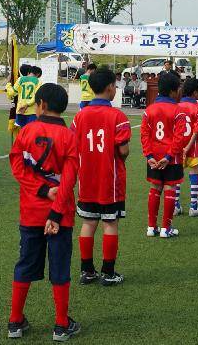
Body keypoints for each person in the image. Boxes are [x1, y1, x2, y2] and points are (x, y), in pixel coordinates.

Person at [7, 83, 81, 342]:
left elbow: (17, 168)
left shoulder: (26, 131)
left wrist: (40, 190)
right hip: (60, 216)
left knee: (25, 263)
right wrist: (57, 213)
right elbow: (70, 179)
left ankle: (15, 321)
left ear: (42, 105)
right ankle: (61, 325)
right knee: (60, 267)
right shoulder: (70, 137)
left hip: (31, 213)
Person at [71, 68, 131, 286]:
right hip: (110, 181)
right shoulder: (118, 116)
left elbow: (74, 145)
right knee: (110, 223)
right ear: (109, 88)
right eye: (115, 86)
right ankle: (108, 272)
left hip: (86, 179)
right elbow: (123, 151)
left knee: (88, 222)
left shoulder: (80, 116)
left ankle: (87, 271)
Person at [141, 71, 185, 238]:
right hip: (171, 159)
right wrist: (168, 157)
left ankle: (151, 227)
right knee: (170, 188)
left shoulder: (149, 110)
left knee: (155, 188)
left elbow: (144, 135)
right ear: (174, 91)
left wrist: (149, 156)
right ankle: (166, 229)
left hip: (153, 157)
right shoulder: (178, 111)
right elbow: (179, 138)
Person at [179, 78, 198, 217]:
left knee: (177, 175)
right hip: (193, 147)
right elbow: (197, 131)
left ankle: (176, 206)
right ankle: (193, 207)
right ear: (194, 92)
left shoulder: (177, 106)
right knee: (194, 172)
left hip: (178, 146)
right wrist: (189, 146)